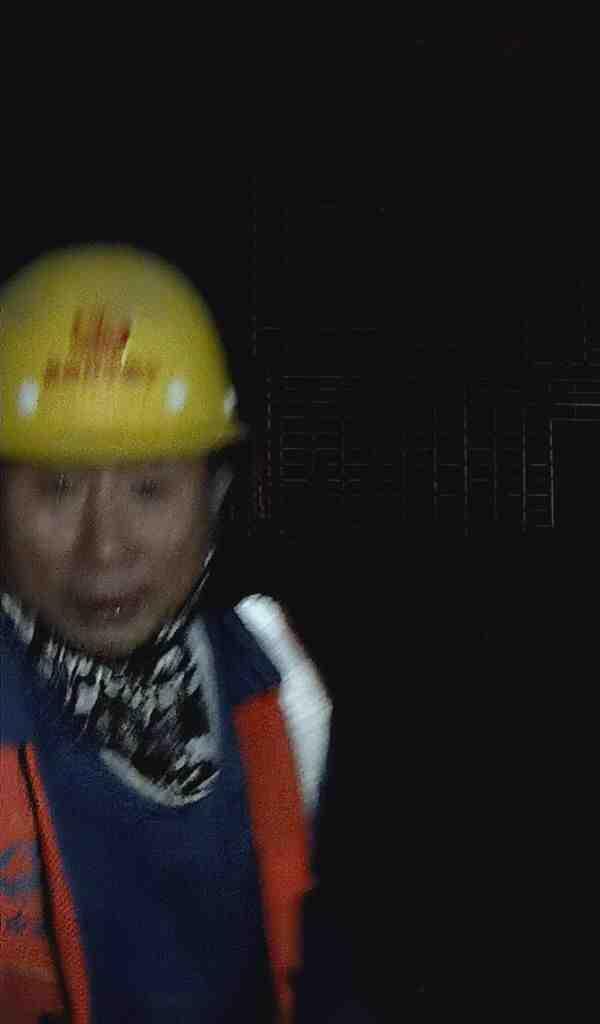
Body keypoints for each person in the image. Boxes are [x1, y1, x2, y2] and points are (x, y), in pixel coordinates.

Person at [0, 243, 334, 1022]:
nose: (104, 548)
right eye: (56, 490)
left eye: (150, 489)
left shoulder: (278, 691)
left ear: (215, 494)